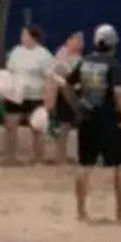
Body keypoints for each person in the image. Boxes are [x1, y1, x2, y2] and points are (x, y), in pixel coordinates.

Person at [69, 22, 121, 222]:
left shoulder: (84, 61)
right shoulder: (112, 64)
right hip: (108, 120)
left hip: (86, 118)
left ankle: (81, 211)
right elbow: (118, 91)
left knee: (84, 165)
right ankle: (120, 209)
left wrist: (76, 104)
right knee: (120, 165)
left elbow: (67, 84)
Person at [0, 20, 52, 162]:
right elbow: (9, 72)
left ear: (33, 37)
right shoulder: (16, 51)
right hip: (15, 95)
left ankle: (38, 158)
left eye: (25, 34)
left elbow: (48, 78)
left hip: (34, 96)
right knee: (10, 126)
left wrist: (47, 100)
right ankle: (10, 157)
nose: (22, 37)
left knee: (37, 129)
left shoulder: (43, 54)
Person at [41, 30, 85, 164]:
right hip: (62, 93)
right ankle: (60, 155)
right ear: (69, 41)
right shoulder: (60, 56)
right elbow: (49, 72)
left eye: (81, 42)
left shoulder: (80, 59)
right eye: (76, 41)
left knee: (73, 125)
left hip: (76, 92)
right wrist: (62, 81)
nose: (79, 44)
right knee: (64, 125)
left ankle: (76, 155)